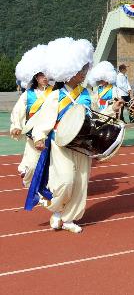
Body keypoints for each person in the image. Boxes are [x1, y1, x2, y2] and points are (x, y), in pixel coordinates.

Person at [27, 37, 103, 233]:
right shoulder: (55, 95)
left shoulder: (87, 93)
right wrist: (39, 137)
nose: (85, 72)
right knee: (66, 180)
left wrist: (112, 109)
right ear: (70, 71)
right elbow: (45, 119)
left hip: (83, 143)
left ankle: (69, 218)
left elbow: (97, 115)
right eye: (82, 69)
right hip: (61, 143)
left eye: (86, 68)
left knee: (80, 182)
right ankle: (57, 209)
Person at [10, 44, 52, 188]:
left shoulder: (54, 92)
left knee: (51, 165)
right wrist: (16, 125)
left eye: (46, 74)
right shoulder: (28, 94)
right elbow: (18, 111)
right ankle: (28, 181)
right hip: (33, 133)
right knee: (33, 164)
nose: (45, 77)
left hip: (51, 132)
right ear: (36, 77)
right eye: (41, 75)